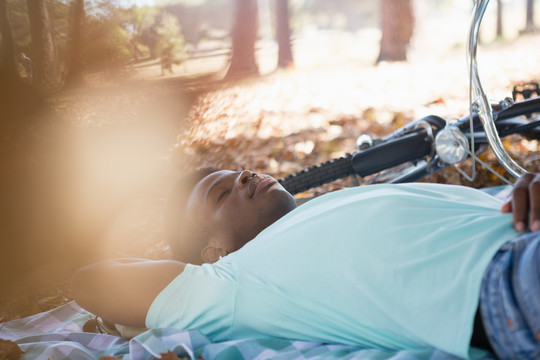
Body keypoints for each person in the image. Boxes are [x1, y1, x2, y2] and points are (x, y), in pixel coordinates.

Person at [71, 170, 540, 360]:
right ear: (211, 251)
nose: (245, 176)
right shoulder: (232, 280)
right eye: (222, 193)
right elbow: (90, 281)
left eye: (238, 172)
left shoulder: (332, 206)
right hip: (507, 284)